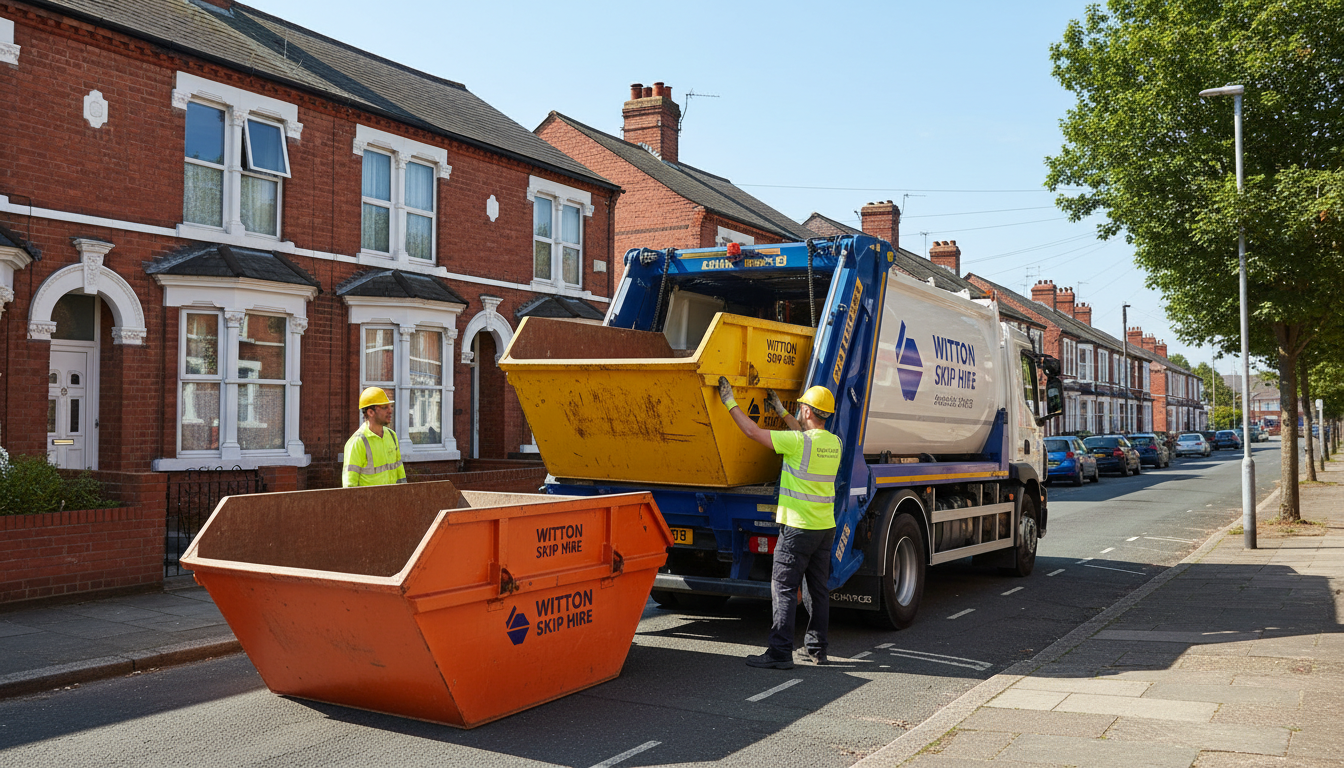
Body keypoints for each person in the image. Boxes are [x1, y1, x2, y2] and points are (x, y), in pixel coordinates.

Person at [718, 377, 841, 669]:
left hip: (797, 529)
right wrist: (782, 411)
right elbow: (803, 434)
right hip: (824, 529)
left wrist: (729, 401)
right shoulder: (833, 442)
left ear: (809, 411)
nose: (799, 411)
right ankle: (817, 649)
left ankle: (780, 652)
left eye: (801, 407)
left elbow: (752, 432)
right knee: (818, 590)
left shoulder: (796, 443)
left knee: (784, 588)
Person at [342, 386, 407, 487]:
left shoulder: (392, 436)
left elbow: (400, 474)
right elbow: (350, 486)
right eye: (385, 407)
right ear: (370, 412)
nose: (390, 411)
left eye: (390, 406)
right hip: (368, 502)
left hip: (392, 501)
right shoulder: (357, 442)